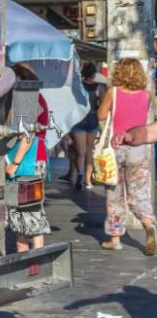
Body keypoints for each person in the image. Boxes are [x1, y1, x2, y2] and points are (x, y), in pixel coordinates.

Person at [100, 58, 157, 255]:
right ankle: (148, 223)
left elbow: (100, 115)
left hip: (115, 148)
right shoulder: (147, 95)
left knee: (114, 193)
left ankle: (115, 238)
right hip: (138, 149)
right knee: (139, 193)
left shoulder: (113, 92)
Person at [6, 64, 50, 252]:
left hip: (25, 160)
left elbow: (28, 134)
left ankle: (27, 256)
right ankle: (34, 256)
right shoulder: (38, 96)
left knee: (23, 212)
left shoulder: (26, 96)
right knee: (31, 211)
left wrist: (14, 164)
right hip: (36, 158)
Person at [65, 62, 102, 190]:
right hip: (93, 119)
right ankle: (88, 180)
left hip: (79, 119)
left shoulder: (78, 86)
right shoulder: (99, 87)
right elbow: (101, 105)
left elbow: (71, 103)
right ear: (94, 73)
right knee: (89, 152)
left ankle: (80, 174)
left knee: (80, 152)